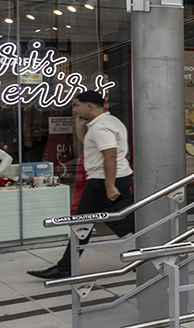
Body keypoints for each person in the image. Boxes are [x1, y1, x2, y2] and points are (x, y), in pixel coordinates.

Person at [28, 91, 135, 280]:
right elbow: (94, 145)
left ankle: (65, 267)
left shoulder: (101, 127)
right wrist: (80, 128)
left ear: (90, 106)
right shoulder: (109, 122)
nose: (74, 108)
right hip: (112, 177)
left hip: (105, 180)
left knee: (83, 222)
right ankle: (150, 249)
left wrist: (109, 185)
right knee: (118, 217)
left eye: (77, 105)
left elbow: (109, 155)